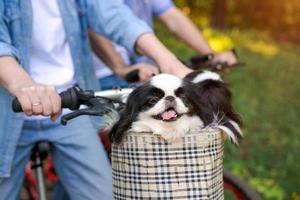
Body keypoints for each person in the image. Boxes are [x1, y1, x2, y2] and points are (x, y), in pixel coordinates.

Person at [0, 0, 192, 199]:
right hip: (8, 112)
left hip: (72, 108)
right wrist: (22, 85)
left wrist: (170, 63)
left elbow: (115, 15)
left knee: (103, 194)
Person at [91, 0, 237, 90]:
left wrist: (210, 55)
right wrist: (121, 68)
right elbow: (94, 25)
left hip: (144, 73)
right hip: (101, 74)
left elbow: (172, 17)